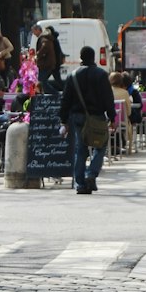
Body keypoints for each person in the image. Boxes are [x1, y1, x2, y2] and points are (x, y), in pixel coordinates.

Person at [59, 44, 115, 194]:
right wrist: (112, 117)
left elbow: (66, 99)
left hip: (78, 117)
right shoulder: (101, 75)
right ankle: (92, 173)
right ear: (94, 57)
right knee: (101, 145)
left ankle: (80, 183)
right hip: (97, 116)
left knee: (80, 149)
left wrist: (63, 120)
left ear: (81, 58)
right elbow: (108, 98)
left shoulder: (73, 75)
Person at [109, 71, 135, 154]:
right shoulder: (125, 93)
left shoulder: (107, 91)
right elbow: (129, 112)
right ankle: (128, 147)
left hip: (109, 120)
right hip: (122, 121)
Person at [36, 26, 63, 92]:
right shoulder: (51, 39)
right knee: (44, 81)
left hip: (46, 63)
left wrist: (38, 54)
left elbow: (45, 47)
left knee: (42, 82)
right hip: (51, 63)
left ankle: (55, 93)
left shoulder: (45, 39)